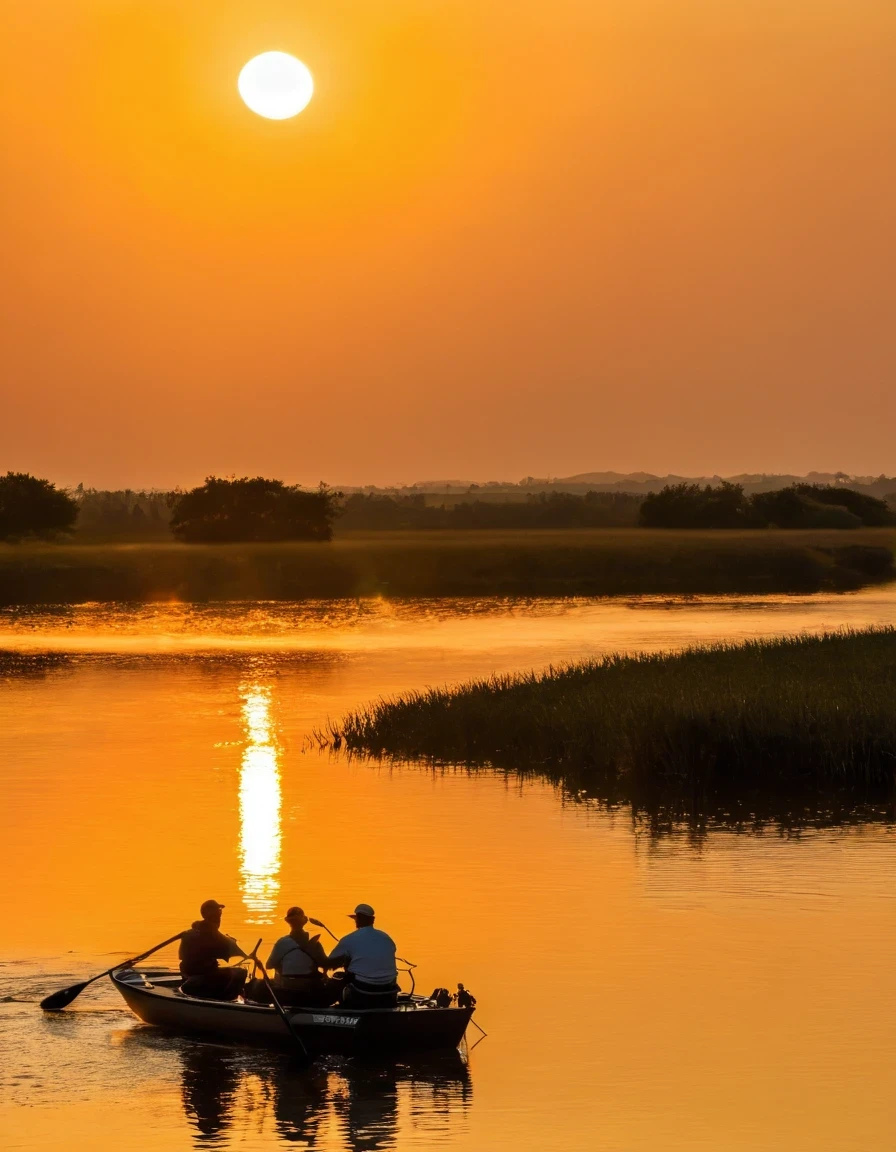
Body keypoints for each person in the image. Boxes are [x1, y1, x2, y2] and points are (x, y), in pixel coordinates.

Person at [325, 903, 399, 1008]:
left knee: (336, 978)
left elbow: (329, 962)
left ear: (357, 920)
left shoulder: (349, 939)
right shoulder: (386, 938)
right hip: (388, 989)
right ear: (372, 920)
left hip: (362, 992)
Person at [262, 906, 335, 1007]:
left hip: (286, 987)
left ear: (288, 923)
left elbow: (269, 965)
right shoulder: (315, 943)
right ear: (304, 921)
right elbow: (325, 963)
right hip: (309, 989)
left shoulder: (282, 943)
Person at [179, 900, 248, 1001]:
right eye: (218, 912)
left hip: (192, 974)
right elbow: (224, 946)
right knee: (240, 972)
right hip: (201, 977)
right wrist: (247, 955)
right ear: (210, 915)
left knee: (230, 972)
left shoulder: (193, 932)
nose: (220, 915)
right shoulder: (209, 933)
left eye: (220, 912)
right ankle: (225, 1000)